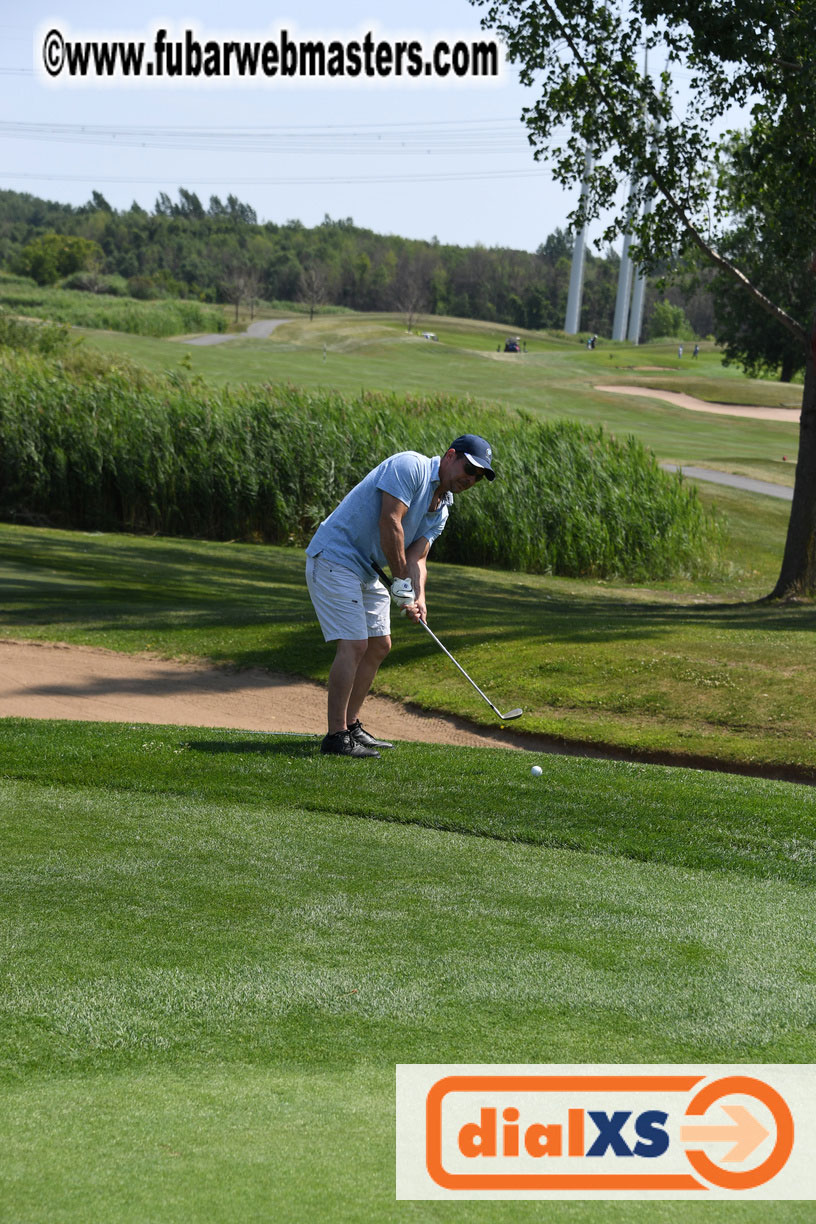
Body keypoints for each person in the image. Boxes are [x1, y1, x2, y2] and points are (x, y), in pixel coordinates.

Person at [305, 434, 496, 758]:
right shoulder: (411, 466)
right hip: (335, 556)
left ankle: (351, 725)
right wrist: (401, 585)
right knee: (355, 644)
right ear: (451, 455)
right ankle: (336, 737)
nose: (471, 479)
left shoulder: (442, 510)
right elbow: (390, 521)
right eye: (469, 469)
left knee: (380, 644)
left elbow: (417, 557)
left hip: (365, 569)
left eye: (478, 477)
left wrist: (418, 597)